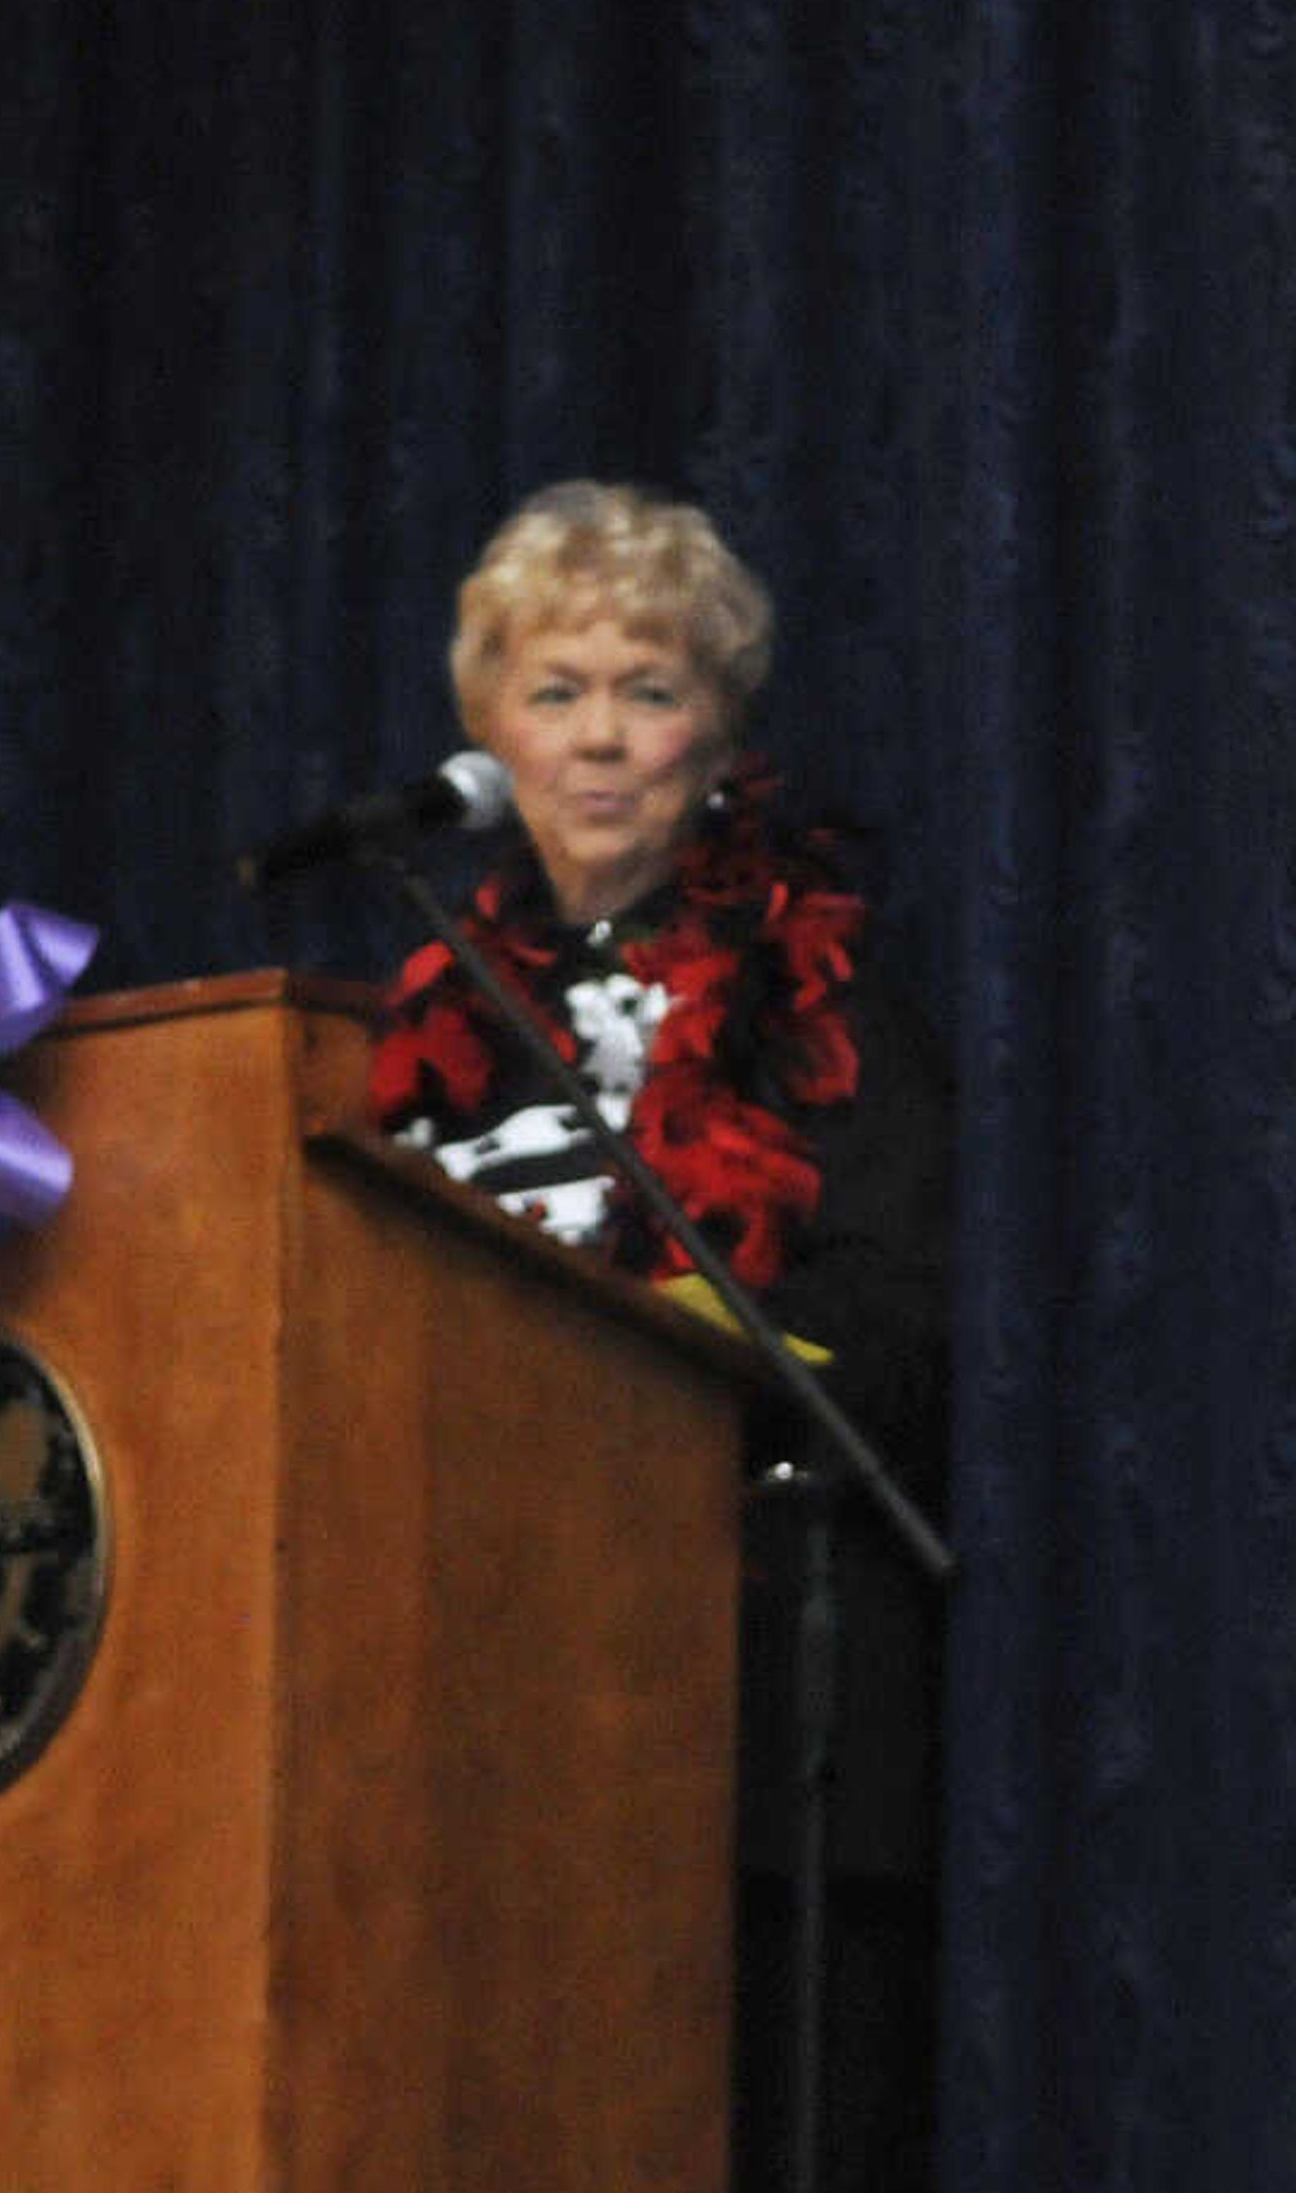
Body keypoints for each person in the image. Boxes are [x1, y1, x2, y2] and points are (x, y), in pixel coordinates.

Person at [371, 478, 952, 2193]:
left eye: (650, 687)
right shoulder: (420, 1026)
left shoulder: (823, 1001)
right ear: (490, 736)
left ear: (718, 729)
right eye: (557, 693)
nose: (603, 738)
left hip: (754, 1706)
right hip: (470, 1713)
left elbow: (892, 1325)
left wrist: (653, 1350)